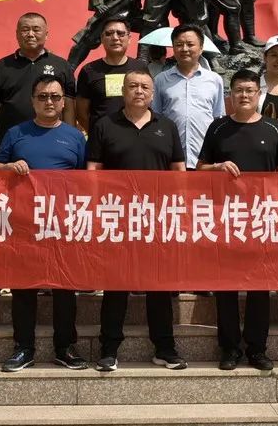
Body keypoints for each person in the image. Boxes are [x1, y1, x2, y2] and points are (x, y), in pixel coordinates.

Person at [87, 68, 188, 372]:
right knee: (116, 285)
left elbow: (178, 171)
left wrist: (177, 209)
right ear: (124, 91)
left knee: (159, 285)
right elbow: (93, 171)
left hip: (157, 218)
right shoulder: (105, 125)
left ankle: (165, 348)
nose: (139, 91)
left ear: (153, 93)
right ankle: (109, 349)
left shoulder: (166, 126)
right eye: (133, 86)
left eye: (145, 86)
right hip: (118, 217)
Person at [0, 74, 90, 373]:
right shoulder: (16, 133)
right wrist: (9, 167)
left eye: (55, 97)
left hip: (62, 223)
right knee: (23, 288)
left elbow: (84, 181)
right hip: (24, 223)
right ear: (33, 101)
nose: (49, 101)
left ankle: (65, 347)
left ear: (63, 103)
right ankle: (23, 348)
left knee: (65, 287)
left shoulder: (75, 137)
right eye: (43, 96)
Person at [197, 69, 278, 371]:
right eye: (239, 90)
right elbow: (199, 169)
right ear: (231, 95)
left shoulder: (274, 128)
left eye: (250, 90)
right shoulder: (218, 127)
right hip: (226, 217)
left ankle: (257, 348)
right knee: (226, 286)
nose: (244, 95)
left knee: (259, 286)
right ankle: (229, 348)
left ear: (258, 94)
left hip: (262, 217)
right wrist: (218, 167)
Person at [0, 12, 76, 151]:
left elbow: (68, 108)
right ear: (17, 34)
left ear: (46, 34)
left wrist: (71, 140)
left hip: (52, 141)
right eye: (25, 30)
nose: (30, 34)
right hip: (11, 143)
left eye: (36, 29)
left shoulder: (61, 66)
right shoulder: (2, 66)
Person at [151, 24, 225, 169]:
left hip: (204, 160)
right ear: (173, 48)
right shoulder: (161, 80)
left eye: (190, 44)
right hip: (171, 158)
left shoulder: (214, 80)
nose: (184, 49)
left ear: (201, 48)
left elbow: (218, 119)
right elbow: (155, 118)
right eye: (179, 44)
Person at [75, 18, 147, 133]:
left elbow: (147, 104)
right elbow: (81, 112)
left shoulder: (140, 68)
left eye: (120, 33)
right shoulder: (89, 71)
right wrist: (97, 134)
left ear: (129, 38)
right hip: (101, 138)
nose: (115, 38)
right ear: (102, 38)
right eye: (109, 33)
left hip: (135, 135)